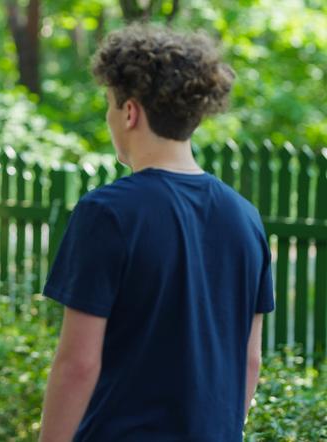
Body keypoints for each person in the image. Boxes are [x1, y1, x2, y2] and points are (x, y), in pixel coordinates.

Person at [39, 24, 274, 442]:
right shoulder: (246, 218)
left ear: (130, 112)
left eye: (109, 105)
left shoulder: (106, 213)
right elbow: (250, 359)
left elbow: (78, 363)